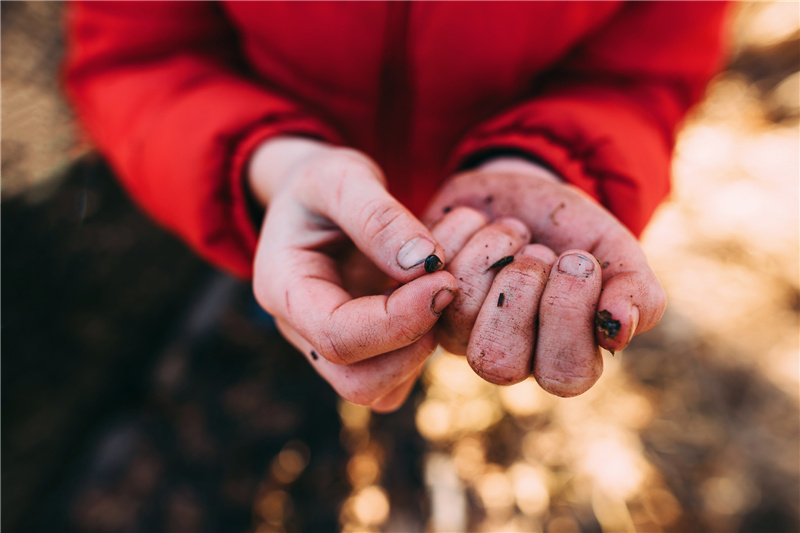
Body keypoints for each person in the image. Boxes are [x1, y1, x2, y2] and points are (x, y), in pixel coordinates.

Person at [64, 1, 729, 412]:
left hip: (494, 223)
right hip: (269, 210)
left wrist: (544, 163)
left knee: (410, 351)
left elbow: (644, 73)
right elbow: (135, 53)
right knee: (299, 325)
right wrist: (275, 167)